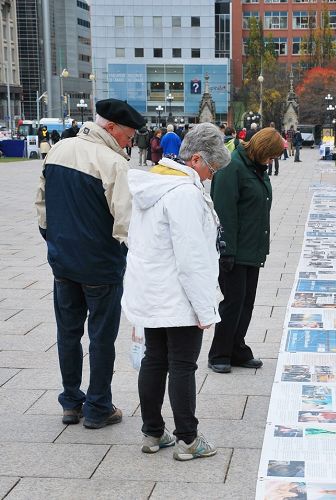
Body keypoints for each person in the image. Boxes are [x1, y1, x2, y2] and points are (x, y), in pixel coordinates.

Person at [121, 123, 231, 460]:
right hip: (178, 293)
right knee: (182, 364)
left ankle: (153, 432)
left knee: (155, 360)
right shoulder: (183, 194)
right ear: (196, 159)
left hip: (153, 291)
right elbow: (192, 257)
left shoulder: (154, 183)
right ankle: (188, 439)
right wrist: (205, 308)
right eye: (211, 169)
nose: (211, 177)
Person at [35, 98, 145, 429]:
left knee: (67, 333)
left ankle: (71, 402)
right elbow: (126, 223)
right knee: (100, 337)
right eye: (129, 135)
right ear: (111, 128)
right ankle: (98, 406)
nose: (130, 142)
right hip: (101, 265)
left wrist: (55, 244)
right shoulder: (113, 163)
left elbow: (42, 206)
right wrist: (128, 258)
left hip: (63, 263)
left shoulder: (58, 150)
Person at [208, 127, 284, 373]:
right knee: (233, 302)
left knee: (246, 303)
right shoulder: (232, 167)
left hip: (252, 248)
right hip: (234, 250)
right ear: (261, 150)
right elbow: (224, 211)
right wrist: (226, 249)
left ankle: (237, 348)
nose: (271, 161)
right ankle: (219, 352)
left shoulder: (257, 169)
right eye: (270, 156)